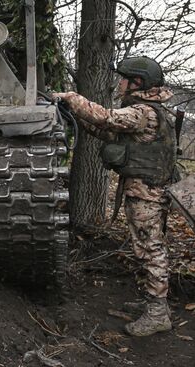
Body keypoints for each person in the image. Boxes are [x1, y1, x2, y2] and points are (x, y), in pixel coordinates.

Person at [53, 56, 176, 337]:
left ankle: (157, 312)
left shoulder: (144, 112)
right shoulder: (147, 111)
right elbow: (108, 131)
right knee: (147, 247)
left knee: (150, 249)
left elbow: (108, 118)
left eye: (124, 78)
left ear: (137, 83)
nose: (119, 83)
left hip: (147, 193)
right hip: (146, 190)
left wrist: (72, 98)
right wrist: (79, 119)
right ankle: (155, 303)